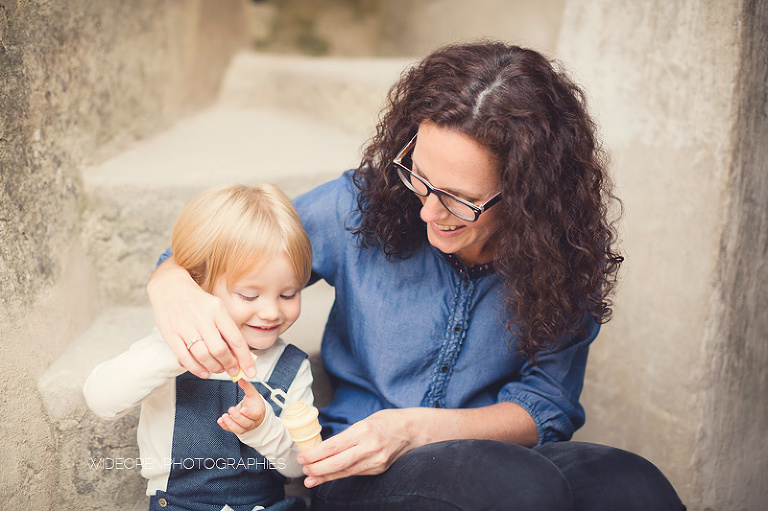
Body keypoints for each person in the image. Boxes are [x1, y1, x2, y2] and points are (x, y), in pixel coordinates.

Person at [147, 42, 686, 510]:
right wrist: (168, 282)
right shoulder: (359, 206)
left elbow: (546, 405)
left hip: (493, 459)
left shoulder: (562, 255)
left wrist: (414, 429)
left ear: (529, 197)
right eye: (420, 178)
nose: (429, 211)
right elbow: (224, 250)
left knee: (633, 486)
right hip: (360, 472)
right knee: (517, 489)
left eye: (461, 200)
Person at [85, 183, 315, 511]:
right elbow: (100, 398)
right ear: (197, 285)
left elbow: (299, 467)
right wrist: (178, 351)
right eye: (249, 295)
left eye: (289, 294)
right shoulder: (167, 349)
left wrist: (263, 425)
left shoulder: (292, 367)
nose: (271, 311)